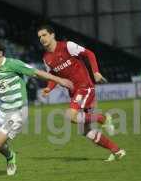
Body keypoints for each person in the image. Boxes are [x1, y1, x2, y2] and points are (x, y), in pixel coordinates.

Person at [0, 38, 73, 178]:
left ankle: (10, 157)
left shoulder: (14, 64)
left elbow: (37, 73)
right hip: (2, 110)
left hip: (17, 112)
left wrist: (60, 80)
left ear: (0, 53)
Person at [37, 25, 125, 162]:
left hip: (84, 87)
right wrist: (49, 87)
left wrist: (96, 72)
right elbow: (53, 75)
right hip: (74, 92)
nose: (42, 38)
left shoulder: (68, 46)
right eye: (40, 37)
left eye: (44, 35)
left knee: (70, 116)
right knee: (86, 131)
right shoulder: (47, 58)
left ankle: (102, 118)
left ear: (52, 35)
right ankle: (117, 150)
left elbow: (89, 54)